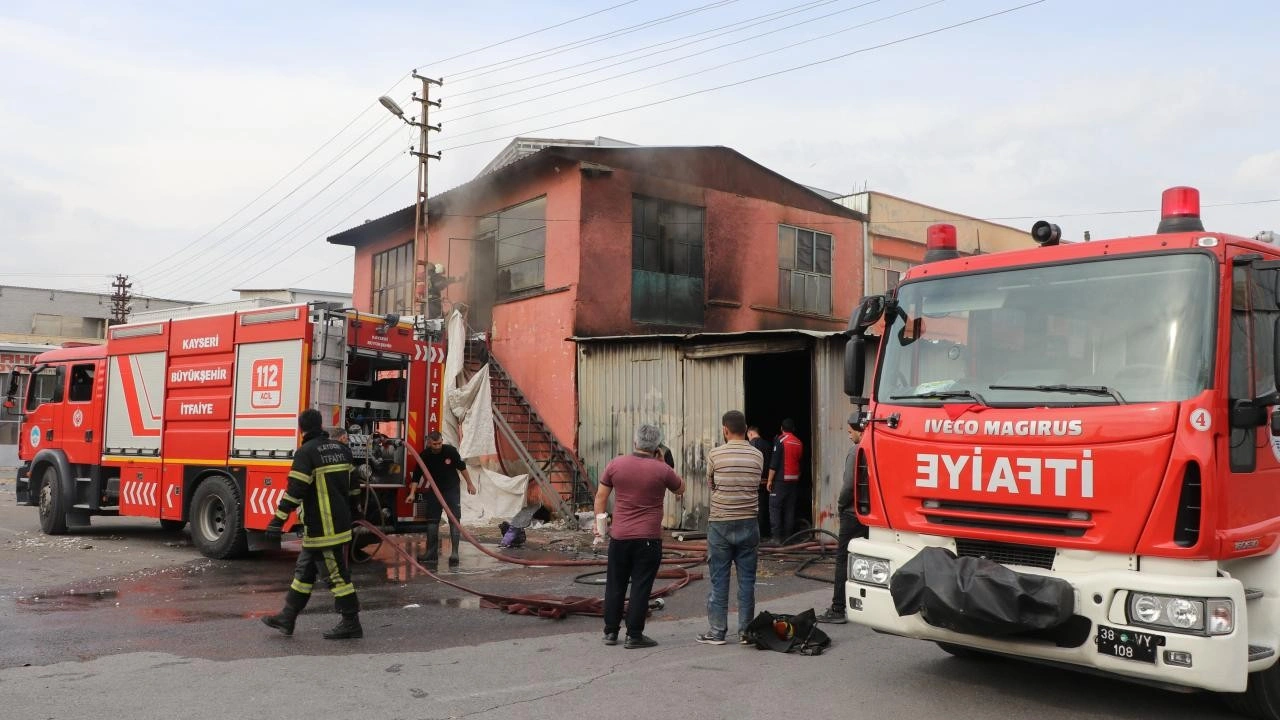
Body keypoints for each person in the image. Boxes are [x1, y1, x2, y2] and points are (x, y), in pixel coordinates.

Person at [261, 409, 363, 640]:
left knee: (337, 577)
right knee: (304, 573)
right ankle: (287, 617)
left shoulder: (306, 453)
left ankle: (351, 622)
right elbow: (355, 484)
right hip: (337, 524)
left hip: (323, 529)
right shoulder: (341, 449)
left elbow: (295, 491)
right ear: (321, 425)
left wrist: (277, 520)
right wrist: (355, 510)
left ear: (301, 429)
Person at [595, 424, 685, 649]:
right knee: (640, 586)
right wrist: (663, 463)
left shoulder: (616, 464)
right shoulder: (662, 470)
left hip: (620, 537)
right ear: (657, 447)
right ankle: (634, 634)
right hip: (648, 539)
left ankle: (610, 632)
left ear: (635, 442)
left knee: (615, 584)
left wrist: (600, 524)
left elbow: (601, 496)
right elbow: (681, 489)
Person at [696, 410, 764, 645]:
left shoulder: (715, 454)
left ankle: (717, 632)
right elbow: (756, 484)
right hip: (749, 521)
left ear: (725, 430)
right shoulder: (757, 455)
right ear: (745, 429)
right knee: (747, 580)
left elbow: (711, 484)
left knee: (719, 578)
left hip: (721, 523)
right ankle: (746, 631)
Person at [817, 419, 870, 624]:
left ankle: (838, 608)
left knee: (843, 560)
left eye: (850, 431)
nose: (849, 435)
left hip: (852, 513)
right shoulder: (875, 447)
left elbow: (848, 486)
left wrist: (840, 505)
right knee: (864, 559)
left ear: (859, 430)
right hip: (869, 514)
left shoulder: (856, 450)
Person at [411, 431, 477, 565]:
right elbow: (416, 476)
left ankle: (454, 554)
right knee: (432, 521)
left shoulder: (450, 451)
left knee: (454, 519)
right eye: (435, 444)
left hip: (451, 489)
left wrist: (470, 484)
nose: (438, 446)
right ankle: (431, 553)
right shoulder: (425, 455)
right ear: (429, 442)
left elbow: (462, 467)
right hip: (435, 490)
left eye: (440, 443)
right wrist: (412, 493)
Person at [766, 418, 804, 545]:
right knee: (789, 509)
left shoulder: (780, 440)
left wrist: (769, 480)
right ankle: (788, 538)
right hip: (794, 481)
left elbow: (774, 462)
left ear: (781, 429)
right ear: (793, 429)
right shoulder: (799, 442)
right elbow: (799, 461)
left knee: (774, 507)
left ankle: (776, 538)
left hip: (780, 481)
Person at [746, 425, 772, 540]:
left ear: (750, 434)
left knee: (752, 508)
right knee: (764, 507)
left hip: (753, 482)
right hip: (766, 481)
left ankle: (755, 535)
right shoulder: (768, 445)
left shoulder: (750, 445)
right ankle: (764, 532)